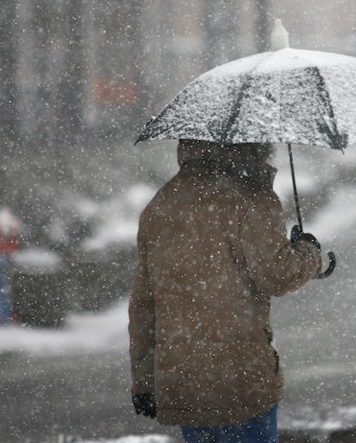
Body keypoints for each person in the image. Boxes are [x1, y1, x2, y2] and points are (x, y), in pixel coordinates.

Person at [129, 139, 323, 443]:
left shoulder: (162, 202)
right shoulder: (251, 197)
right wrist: (309, 251)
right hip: (241, 379)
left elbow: (144, 304)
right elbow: (278, 275)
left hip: (185, 380)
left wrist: (144, 381)